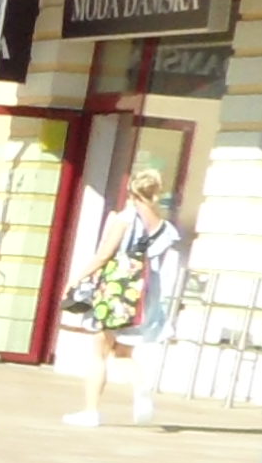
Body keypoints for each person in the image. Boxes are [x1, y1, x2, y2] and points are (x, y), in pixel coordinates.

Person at [63, 169, 189, 427]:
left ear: (131, 191)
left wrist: (75, 279)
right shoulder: (163, 227)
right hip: (142, 296)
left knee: (99, 351)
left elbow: (104, 255)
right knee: (123, 351)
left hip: (114, 293)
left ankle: (90, 411)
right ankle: (141, 387)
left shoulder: (125, 219)